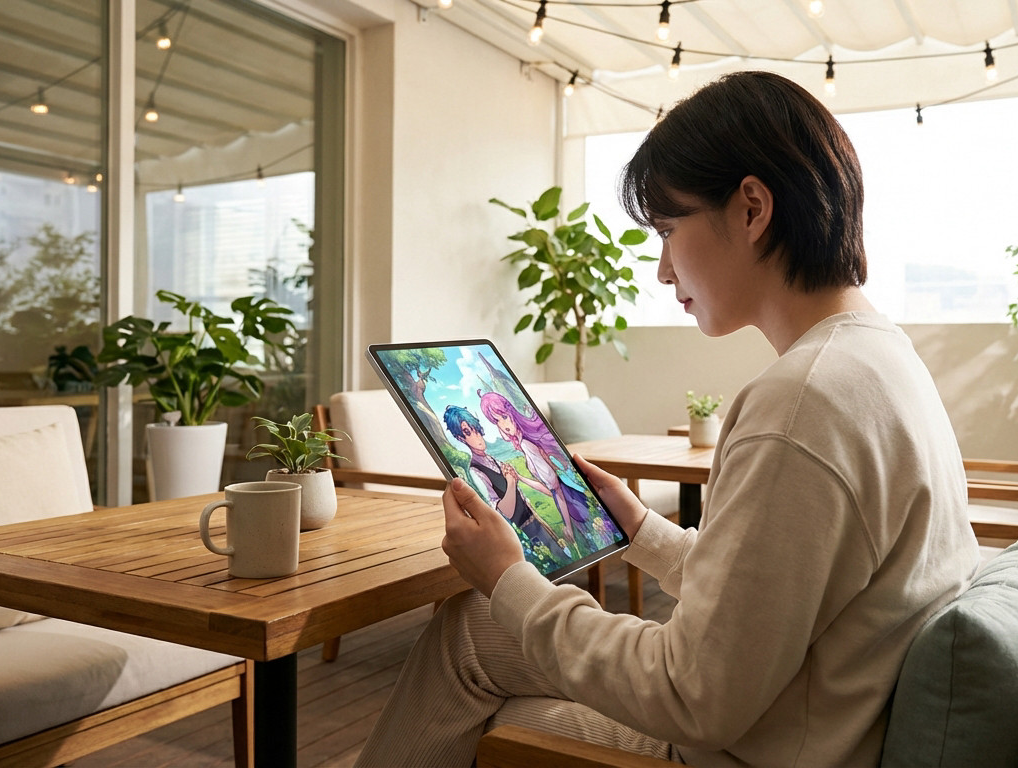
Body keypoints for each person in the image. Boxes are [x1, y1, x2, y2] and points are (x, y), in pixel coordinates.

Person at [356, 70, 979, 767]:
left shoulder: (803, 403)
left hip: (747, 746)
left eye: (667, 230)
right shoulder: (876, 358)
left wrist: (507, 578)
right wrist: (641, 535)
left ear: (750, 208)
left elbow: (693, 694)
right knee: (472, 631)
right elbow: (769, 595)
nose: (660, 269)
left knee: (488, 666)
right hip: (801, 708)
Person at [443, 404, 565, 557]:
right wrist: (511, 483)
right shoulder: (476, 471)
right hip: (520, 535)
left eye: (476, 429)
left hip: (536, 523)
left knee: (560, 556)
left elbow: (522, 491)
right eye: (468, 432)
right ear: (461, 438)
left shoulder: (494, 461)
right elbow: (502, 512)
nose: (477, 437)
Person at [478, 389, 593, 550]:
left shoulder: (527, 445)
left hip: (574, 509)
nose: (503, 425)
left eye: (504, 417)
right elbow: (549, 490)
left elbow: (557, 491)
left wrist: (568, 527)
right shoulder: (525, 446)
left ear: (512, 413)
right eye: (497, 421)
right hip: (571, 507)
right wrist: (519, 477)